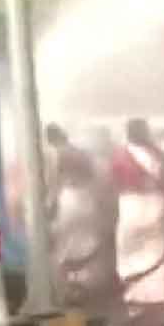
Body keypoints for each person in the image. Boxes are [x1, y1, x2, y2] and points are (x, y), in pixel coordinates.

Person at [111, 118, 164, 320]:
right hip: (155, 204)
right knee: (157, 252)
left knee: (129, 254)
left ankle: (134, 303)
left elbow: (115, 181)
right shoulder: (157, 154)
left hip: (130, 206)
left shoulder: (120, 155)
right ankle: (159, 304)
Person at [46, 124, 111, 306]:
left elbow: (54, 183)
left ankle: (70, 291)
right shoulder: (82, 154)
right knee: (86, 246)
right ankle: (83, 287)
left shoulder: (56, 155)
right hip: (87, 200)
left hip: (68, 200)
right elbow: (95, 179)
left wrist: (49, 206)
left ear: (50, 139)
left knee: (65, 248)